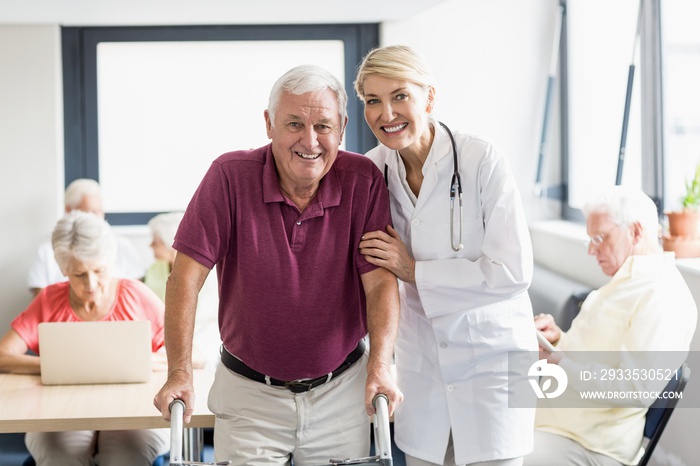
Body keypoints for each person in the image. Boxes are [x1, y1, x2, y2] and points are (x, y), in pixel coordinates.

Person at [153, 64, 403, 465]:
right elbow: (184, 279)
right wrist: (179, 371)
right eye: (294, 124)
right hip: (250, 394)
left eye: (323, 125)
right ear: (269, 124)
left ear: (342, 128)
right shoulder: (229, 178)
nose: (310, 141)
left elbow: (379, 284)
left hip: (340, 392)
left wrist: (381, 366)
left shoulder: (363, 181)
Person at [354, 45, 536, 466]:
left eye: (400, 96)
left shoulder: (481, 159)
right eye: (373, 101)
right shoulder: (370, 171)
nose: (387, 113)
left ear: (429, 98)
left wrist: (413, 270)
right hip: (422, 365)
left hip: (495, 366)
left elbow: (512, 271)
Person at [525, 186, 698, 466]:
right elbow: (602, 353)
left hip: (590, 446)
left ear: (636, 232)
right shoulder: (628, 281)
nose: (592, 250)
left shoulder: (664, 295)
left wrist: (562, 367)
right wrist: (559, 341)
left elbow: (635, 389)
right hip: (561, 427)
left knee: (490, 456)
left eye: (600, 238)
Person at [0, 211, 169, 466]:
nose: (91, 283)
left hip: (132, 409)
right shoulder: (49, 299)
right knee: (62, 456)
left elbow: (192, 356)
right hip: (61, 411)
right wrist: (54, 369)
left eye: (99, 271)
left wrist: (142, 361)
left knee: (124, 457)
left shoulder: (137, 295)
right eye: (79, 274)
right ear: (63, 269)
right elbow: (3, 356)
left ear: (109, 261)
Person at [27, 178, 145, 297]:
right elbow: (41, 302)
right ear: (69, 210)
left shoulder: (122, 245)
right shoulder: (46, 252)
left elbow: (138, 294)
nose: (97, 218)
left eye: (99, 211)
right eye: (90, 212)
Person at [145, 211, 221, 368]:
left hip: (201, 332)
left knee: (191, 357)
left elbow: (201, 317)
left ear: (170, 243)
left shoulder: (206, 272)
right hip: (165, 334)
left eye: (156, 241)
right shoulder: (155, 269)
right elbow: (151, 311)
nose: (150, 245)